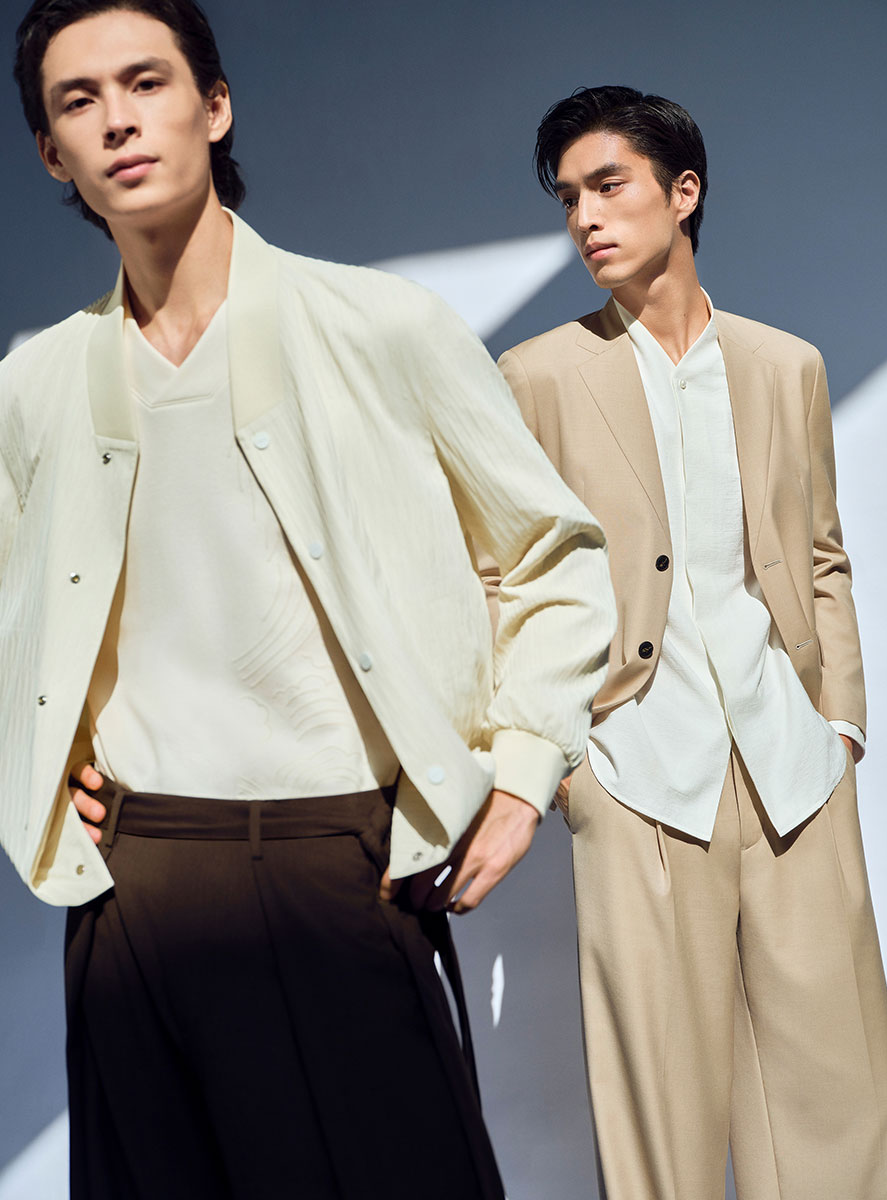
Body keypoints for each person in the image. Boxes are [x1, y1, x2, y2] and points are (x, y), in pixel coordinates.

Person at [0, 5, 615, 1197]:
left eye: (146, 82)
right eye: (79, 100)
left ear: (214, 106)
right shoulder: (35, 388)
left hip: (336, 864)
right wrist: (43, 756)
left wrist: (524, 772)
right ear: (50, 152)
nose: (118, 119)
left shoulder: (383, 328)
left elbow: (552, 553)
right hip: (133, 885)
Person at [491, 85, 887, 1199]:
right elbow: (500, 579)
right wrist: (564, 764)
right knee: (659, 1107)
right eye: (567, 198)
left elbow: (821, 555)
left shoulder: (786, 365)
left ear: (684, 192)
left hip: (791, 764)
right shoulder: (537, 377)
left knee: (838, 1100)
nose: (584, 218)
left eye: (607, 186)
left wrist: (842, 726)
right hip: (635, 771)